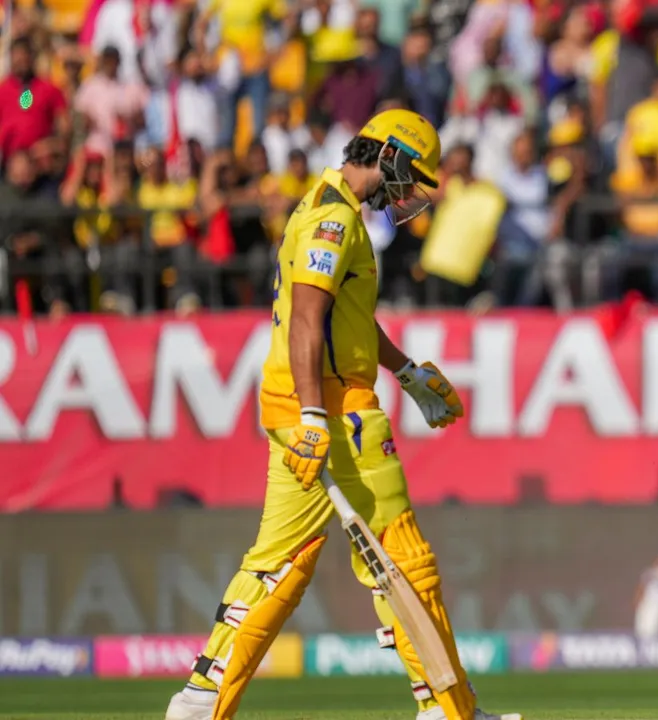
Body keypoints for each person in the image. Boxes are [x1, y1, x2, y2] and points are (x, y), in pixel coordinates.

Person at [164, 109, 521, 720]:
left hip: (303, 403)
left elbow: (342, 318)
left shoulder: (321, 205)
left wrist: (406, 371)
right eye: (409, 178)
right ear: (385, 155)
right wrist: (313, 415)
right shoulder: (333, 219)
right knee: (403, 559)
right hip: (336, 410)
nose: (408, 195)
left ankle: (202, 698)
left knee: (281, 561)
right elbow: (307, 318)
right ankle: (449, 710)